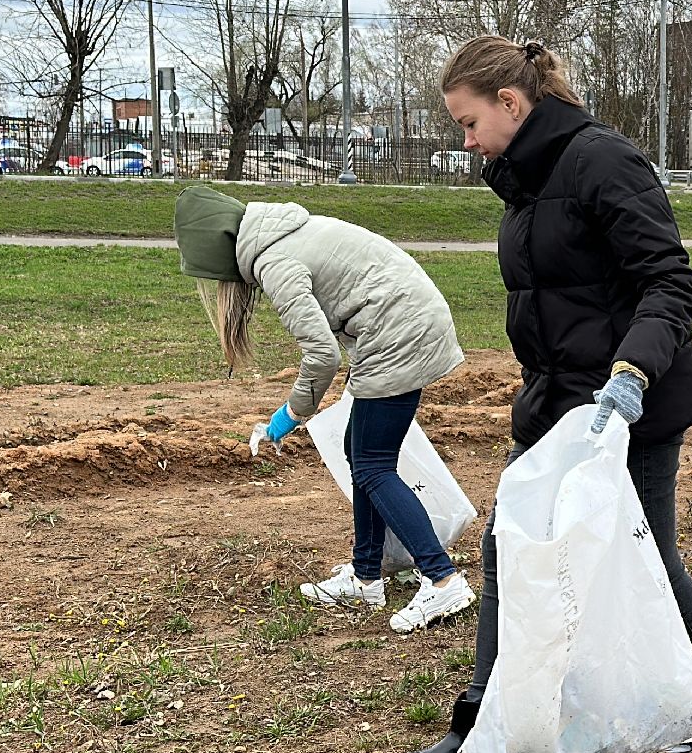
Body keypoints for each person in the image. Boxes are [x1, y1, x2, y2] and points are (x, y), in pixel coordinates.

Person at [388, 36, 692, 753]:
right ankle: (478, 723)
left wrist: (632, 374)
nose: (466, 140)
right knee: (506, 548)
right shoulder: (524, 179)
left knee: (646, 553)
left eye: (469, 122)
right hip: (554, 402)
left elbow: (670, 281)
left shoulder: (602, 161)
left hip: (628, 405)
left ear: (510, 102)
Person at [172, 184, 476, 634]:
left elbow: (321, 356)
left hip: (398, 335)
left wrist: (288, 416)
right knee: (362, 454)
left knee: (373, 465)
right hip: (402, 326)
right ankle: (366, 576)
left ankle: (442, 578)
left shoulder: (275, 262)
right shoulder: (284, 233)